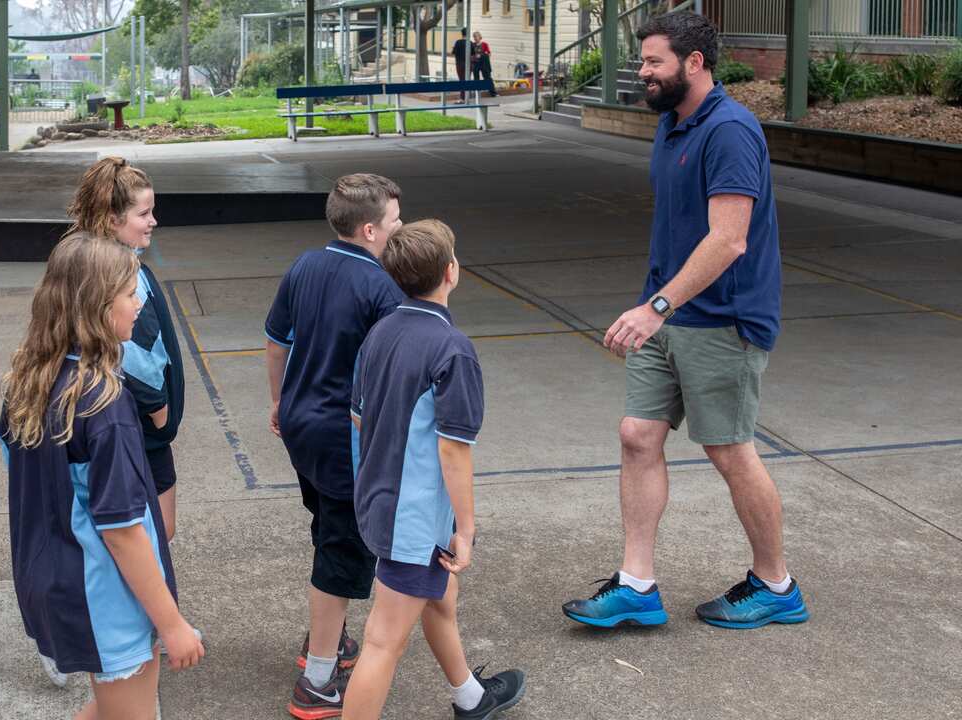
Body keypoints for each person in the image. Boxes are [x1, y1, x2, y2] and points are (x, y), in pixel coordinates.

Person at [562, 12, 808, 630]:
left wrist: (656, 307)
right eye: (643, 61)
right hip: (668, 312)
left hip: (722, 318)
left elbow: (729, 241)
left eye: (653, 62)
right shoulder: (672, 124)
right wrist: (658, 305)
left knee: (729, 452)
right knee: (637, 435)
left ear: (693, 64)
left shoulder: (729, 130)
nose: (642, 72)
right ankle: (637, 586)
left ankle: (776, 584)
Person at [0, 233, 204, 720]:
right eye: (131, 295)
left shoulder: (31, 380)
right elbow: (121, 529)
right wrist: (171, 623)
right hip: (103, 594)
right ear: (98, 306)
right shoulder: (104, 402)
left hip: (56, 576)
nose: (139, 305)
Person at [342, 219, 525, 720]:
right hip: (415, 516)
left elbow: (360, 418)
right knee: (383, 644)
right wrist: (465, 529)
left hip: (381, 500)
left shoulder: (380, 331)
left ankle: (470, 696)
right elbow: (454, 451)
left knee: (441, 595)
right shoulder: (452, 348)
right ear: (452, 272)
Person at [265, 174, 404, 719]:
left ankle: (327, 640)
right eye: (394, 222)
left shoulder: (304, 264)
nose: (399, 230)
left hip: (301, 427)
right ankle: (319, 680)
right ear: (369, 229)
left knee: (326, 527)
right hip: (345, 437)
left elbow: (277, 341)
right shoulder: (383, 291)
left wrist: (278, 403)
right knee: (342, 549)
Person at [67, 157, 185, 545]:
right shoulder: (125, 275)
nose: (153, 221)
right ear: (113, 219)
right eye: (144, 213)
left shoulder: (88, 261)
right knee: (155, 533)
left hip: (119, 418)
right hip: (139, 427)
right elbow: (135, 350)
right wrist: (159, 409)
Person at [470, 32, 496, 97]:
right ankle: (477, 94)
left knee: (487, 77)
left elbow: (489, 54)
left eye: (476, 37)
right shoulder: (472, 45)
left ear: (480, 37)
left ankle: (493, 93)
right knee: (476, 78)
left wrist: (482, 55)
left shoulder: (484, 44)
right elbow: (471, 54)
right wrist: (474, 57)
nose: (475, 38)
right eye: (474, 37)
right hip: (476, 63)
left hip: (484, 63)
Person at [450, 29, 471, 103]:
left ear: (462, 34)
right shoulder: (470, 43)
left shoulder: (458, 42)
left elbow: (453, 53)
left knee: (461, 80)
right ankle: (466, 96)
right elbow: (473, 54)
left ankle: (462, 98)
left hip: (459, 64)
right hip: (468, 64)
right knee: (466, 79)